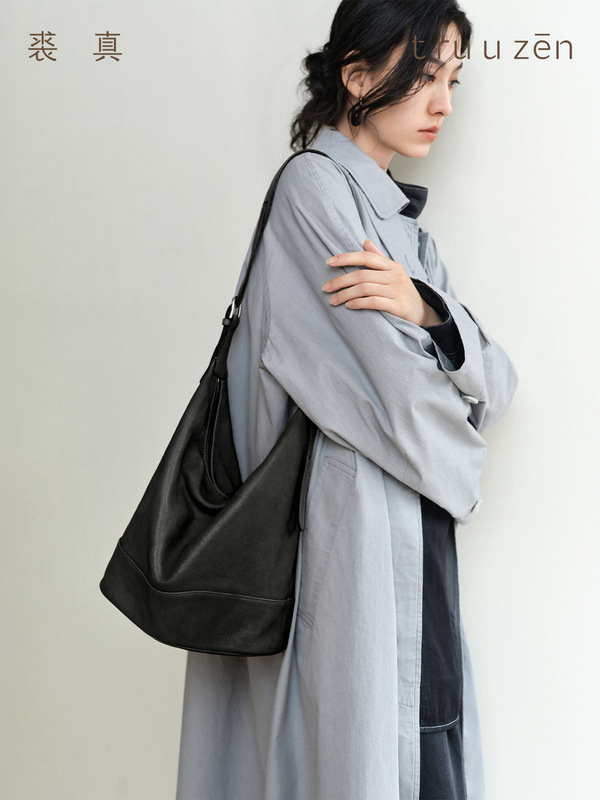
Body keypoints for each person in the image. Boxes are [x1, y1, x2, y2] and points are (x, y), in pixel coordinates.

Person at [176, 1, 518, 798]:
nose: (444, 103)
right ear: (357, 75)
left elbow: (497, 384)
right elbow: (403, 397)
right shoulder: (313, 190)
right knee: (356, 758)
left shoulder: (405, 232)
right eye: (425, 75)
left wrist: (428, 311)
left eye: (454, 80)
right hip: (349, 539)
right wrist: (454, 406)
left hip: (412, 533)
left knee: (420, 756)